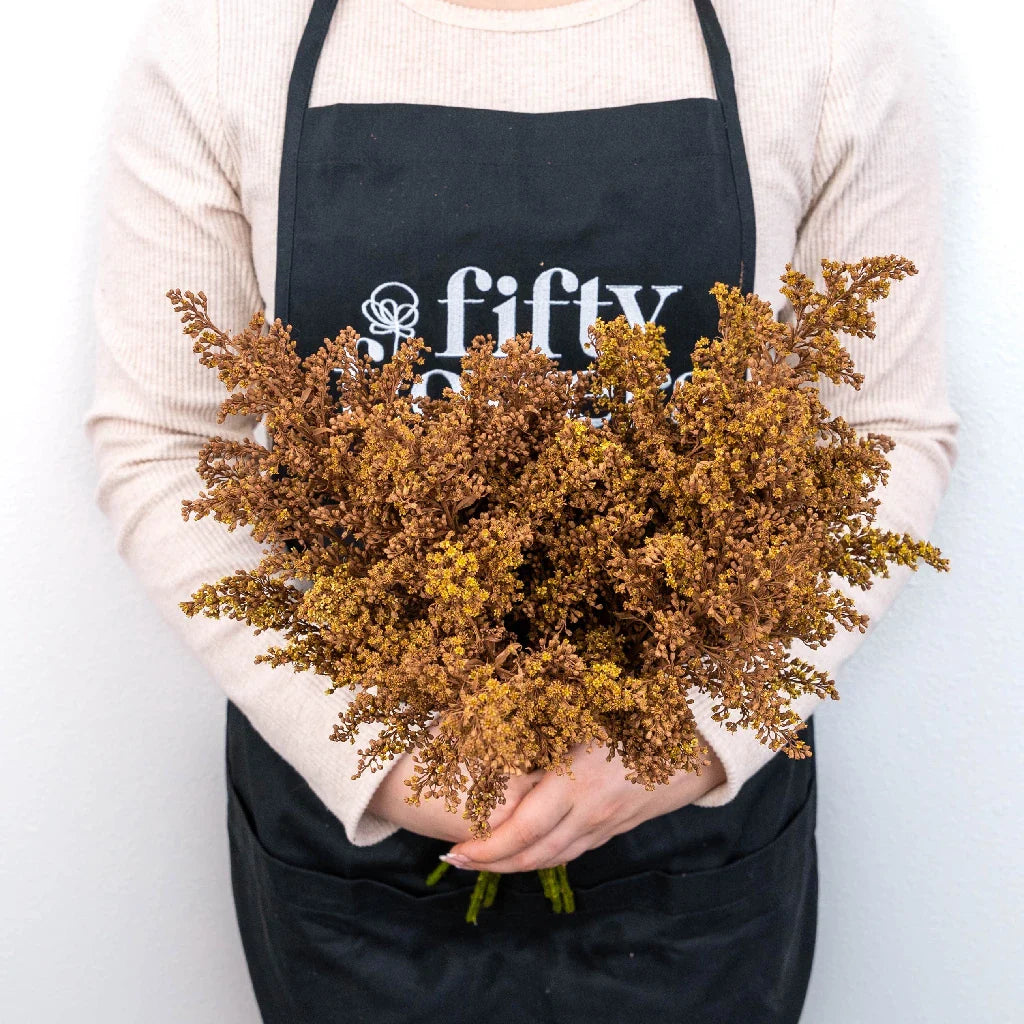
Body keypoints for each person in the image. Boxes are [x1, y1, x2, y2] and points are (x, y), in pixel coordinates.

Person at [83, 0, 959, 1020]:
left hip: (686, 828)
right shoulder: (226, 45)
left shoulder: (820, 42)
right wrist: (386, 755)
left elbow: (878, 432)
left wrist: (679, 740)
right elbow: (172, 443)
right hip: (358, 816)